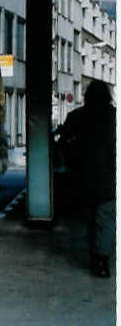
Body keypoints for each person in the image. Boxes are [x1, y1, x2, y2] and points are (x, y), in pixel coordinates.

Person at [60, 80, 116, 277]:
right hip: (110, 181)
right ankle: (103, 261)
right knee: (106, 221)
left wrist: (72, 164)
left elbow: (63, 142)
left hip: (84, 180)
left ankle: (95, 258)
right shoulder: (115, 117)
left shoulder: (77, 117)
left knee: (91, 220)